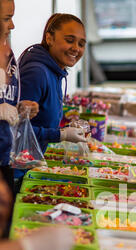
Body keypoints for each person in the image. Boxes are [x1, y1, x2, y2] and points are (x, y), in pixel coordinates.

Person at [18, 13, 87, 157]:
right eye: (69, 40)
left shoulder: (55, 72)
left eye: (81, 44)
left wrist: (66, 130)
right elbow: (16, 127)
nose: (76, 48)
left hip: (31, 163)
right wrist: (61, 134)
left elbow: (41, 122)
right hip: (16, 170)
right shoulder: (37, 73)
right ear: (49, 38)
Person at [0, 0, 38, 193]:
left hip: (5, 158)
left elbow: (5, 97)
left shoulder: (7, 52)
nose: (12, 25)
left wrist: (18, 107)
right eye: (7, 18)